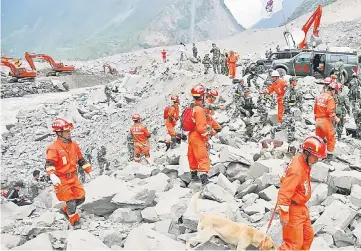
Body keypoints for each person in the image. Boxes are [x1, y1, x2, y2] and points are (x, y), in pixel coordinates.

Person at [276, 135, 327, 250]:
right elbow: (284, 192)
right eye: (316, 157)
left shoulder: (303, 162)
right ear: (307, 152)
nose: (317, 160)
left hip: (301, 208)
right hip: (293, 209)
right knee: (293, 245)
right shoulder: (296, 170)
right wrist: (284, 215)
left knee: (308, 237)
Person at [46, 118, 92, 228]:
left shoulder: (73, 144)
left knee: (81, 198)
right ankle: (75, 222)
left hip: (73, 177)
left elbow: (80, 159)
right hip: (61, 179)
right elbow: (49, 163)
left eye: (69, 131)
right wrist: (52, 175)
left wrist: (88, 170)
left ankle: (65, 210)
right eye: (67, 131)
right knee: (70, 200)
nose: (69, 133)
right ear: (59, 133)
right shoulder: (53, 148)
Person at [188, 84, 211, 185]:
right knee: (202, 156)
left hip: (191, 135)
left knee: (192, 155)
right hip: (198, 136)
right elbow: (201, 128)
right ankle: (204, 180)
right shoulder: (200, 110)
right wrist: (206, 138)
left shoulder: (191, 106)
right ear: (202, 96)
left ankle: (193, 175)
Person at [314, 82, 340, 159]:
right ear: (333, 90)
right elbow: (330, 111)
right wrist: (336, 119)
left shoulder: (319, 96)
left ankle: (317, 155)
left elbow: (315, 109)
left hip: (318, 120)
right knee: (331, 138)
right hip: (325, 121)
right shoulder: (330, 98)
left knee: (319, 139)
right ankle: (329, 157)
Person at [276, 77, 303, 143]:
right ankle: (274, 131)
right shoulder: (288, 90)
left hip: (293, 111)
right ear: (292, 82)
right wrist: (289, 108)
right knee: (284, 125)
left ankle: (291, 138)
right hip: (288, 111)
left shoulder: (295, 90)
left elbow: (297, 100)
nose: (296, 82)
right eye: (295, 81)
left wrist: (298, 107)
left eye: (296, 81)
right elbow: (285, 101)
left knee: (292, 125)